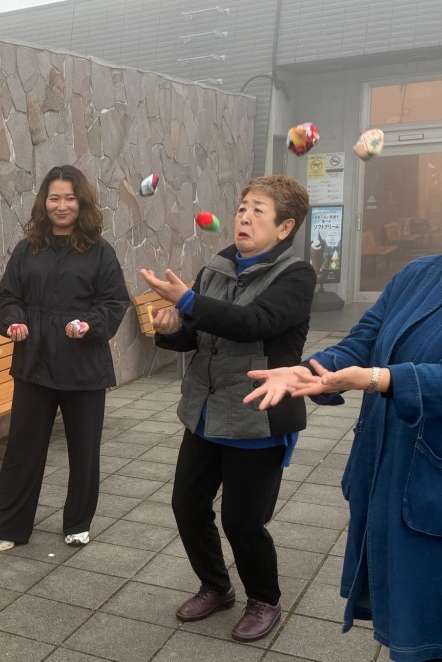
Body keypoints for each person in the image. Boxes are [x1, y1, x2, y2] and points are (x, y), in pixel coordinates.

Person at [245, 145, 442, 662]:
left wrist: (377, 379)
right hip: (402, 475)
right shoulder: (420, 272)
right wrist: (313, 370)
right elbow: (364, 339)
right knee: (408, 622)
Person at [138, 175, 315, 642]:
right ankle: (215, 586)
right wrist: (172, 328)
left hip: (258, 415)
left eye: (258, 210)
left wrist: (188, 299)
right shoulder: (216, 267)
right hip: (204, 412)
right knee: (187, 506)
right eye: (242, 208)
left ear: (284, 227)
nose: (244, 218)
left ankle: (264, 599)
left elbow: (252, 323)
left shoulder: (296, 275)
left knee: (242, 521)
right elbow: (196, 335)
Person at [0, 165, 130, 558]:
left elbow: (114, 302)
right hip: (34, 365)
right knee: (22, 450)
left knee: (84, 451)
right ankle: (5, 528)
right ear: (44, 202)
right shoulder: (28, 249)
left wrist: (88, 324)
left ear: (82, 202)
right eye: (54, 198)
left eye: (70, 198)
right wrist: (14, 322)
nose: (62, 205)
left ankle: (78, 523)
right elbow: (9, 297)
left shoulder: (100, 252)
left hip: (83, 368)